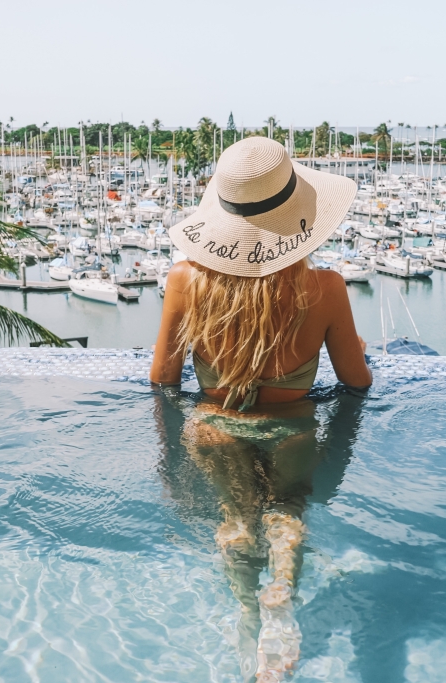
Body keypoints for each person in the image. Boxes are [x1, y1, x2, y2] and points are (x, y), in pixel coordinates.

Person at [150, 137, 371, 682]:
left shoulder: (185, 281)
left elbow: (163, 379)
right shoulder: (326, 288)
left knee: (236, 519)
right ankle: (280, 602)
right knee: (287, 513)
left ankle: (247, 615)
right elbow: (355, 382)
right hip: (293, 431)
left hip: (212, 428)